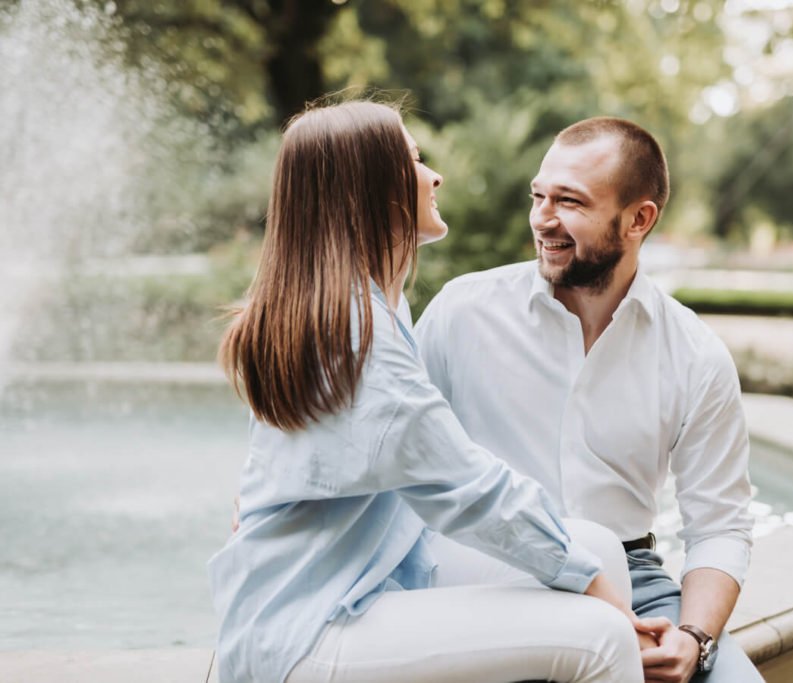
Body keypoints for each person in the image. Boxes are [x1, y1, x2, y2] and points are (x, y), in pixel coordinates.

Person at [209, 101, 649, 683]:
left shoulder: (368, 306)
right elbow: (467, 489)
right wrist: (606, 601)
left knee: (598, 547)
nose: (433, 175)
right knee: (602, 636)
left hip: (366, 569)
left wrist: (587, 572)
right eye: (414, 160)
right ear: (368, 189)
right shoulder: (355, 330)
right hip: (307, 627)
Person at [416, 117, 764, 682]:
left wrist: (695, 637)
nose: (542, 219)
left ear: (639, 219)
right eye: (538, 196)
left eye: (570, 202)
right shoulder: (462, 312)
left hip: (634, 577)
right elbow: (391, 449)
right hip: (489, 570)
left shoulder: (695, 354)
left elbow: (720, 524)